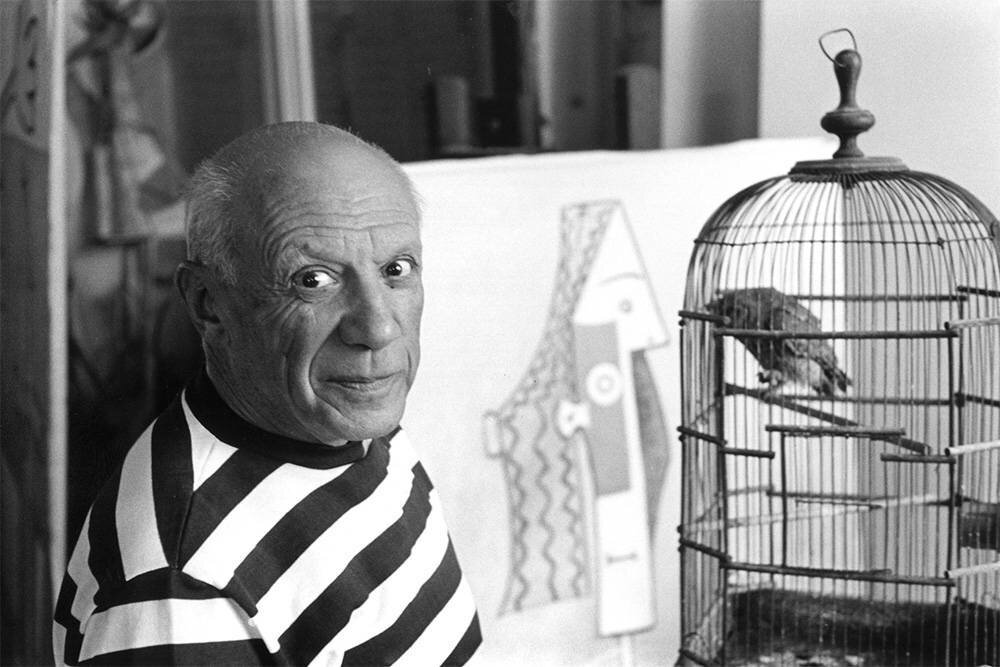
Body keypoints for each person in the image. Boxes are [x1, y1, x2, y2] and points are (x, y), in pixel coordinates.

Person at [53, 122, 482, 665]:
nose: (377, 329)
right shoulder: (181, 585)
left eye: (395, 270)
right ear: (208, 303)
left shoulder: (345, 418)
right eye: (313, 281)